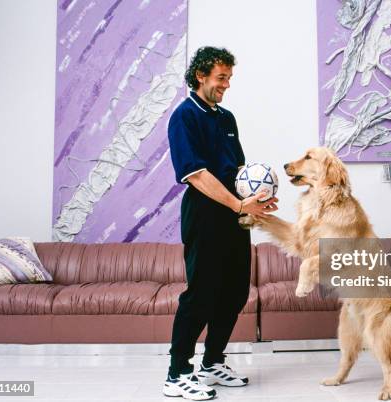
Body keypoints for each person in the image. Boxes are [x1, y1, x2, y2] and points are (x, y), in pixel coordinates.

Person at [163, 46, 277, 401]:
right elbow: (196, 175)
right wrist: (238, 202)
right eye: (221, 78)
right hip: (205, 214)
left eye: (229, 78)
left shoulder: (226, 118)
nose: (226, 84)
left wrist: (257, 199)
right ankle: (178, 371)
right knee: (202, 294)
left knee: (234, 292)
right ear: (201, 75)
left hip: (234, 215)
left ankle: (212, 362)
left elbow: (238, 171)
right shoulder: (184, 116)